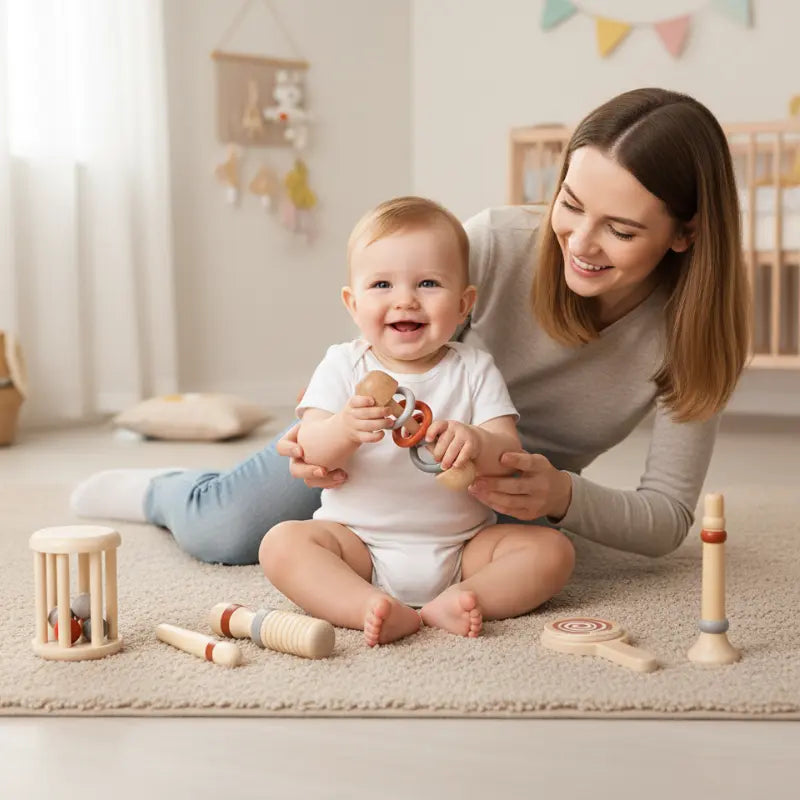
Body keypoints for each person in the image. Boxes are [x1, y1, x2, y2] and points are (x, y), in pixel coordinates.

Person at [70, 87, 750, 591]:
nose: (580, 242)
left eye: (621, 230)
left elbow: (665, 518)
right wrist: (323, 430)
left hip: (503, 491)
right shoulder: (501, 243)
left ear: (685, 233)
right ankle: (165, 490)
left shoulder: (695, 336)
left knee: (542, 567)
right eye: (569, 205)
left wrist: (562, 497)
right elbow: (382, 325)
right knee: (231, 528)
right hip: (375, 455)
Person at [258, 196, 572, 646]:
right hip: (357, 545)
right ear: (352, 303)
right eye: (382, 285)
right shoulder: (343, 365)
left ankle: (464, 597)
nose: (405, 300)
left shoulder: (475, 368)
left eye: (427, 283)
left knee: (553, 552)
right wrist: (344, 429)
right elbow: (311, 452)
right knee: (281, 545)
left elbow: (508, 455)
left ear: (464, 304)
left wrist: (476, 443)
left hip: (465, 546)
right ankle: (364, 603)